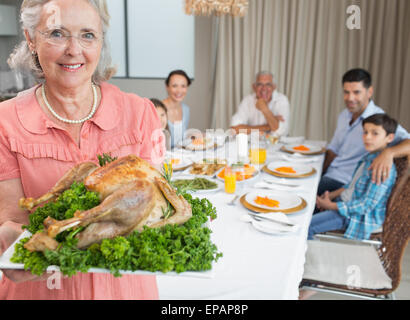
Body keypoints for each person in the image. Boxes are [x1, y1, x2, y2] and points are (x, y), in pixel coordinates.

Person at [0, 0, 165, 300]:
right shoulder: (5, 122)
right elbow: (9, 217)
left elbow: (155, 204)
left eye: (87, 34)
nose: (74, 50)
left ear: (101, 40)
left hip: (124, 290)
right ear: (30, 39)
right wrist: (9, 240)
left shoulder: (140, 113)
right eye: (57, 34)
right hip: (40, 289)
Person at [318, 68, 410, 196]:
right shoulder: (344, 115)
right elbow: (333, 151)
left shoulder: (379, 121)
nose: (350, 98)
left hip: (346, 183)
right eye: (346, 92)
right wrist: (318, 173)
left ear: (369, 92)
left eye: (356, 92)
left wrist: (389, 153)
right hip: (330, 174)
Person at [308, 113, 398, 240]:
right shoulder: (368, 157)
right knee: (307, 210)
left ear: (389, 138)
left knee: (307, 226)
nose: (367, 137)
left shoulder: (382, 168)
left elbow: (365, 205)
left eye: (375, 133)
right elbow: (352, 186)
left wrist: (331, 206)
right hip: (346, 204)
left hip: (355, 216)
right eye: (365, 132)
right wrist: (330, 196)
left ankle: (311, 258)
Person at [230, 71, 290, 136]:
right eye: (260, 84)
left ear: (274, 87)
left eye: (268, 84)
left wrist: (264, 109)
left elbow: (281, 131)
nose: (264, 88)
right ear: (254, 87)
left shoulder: (282, 100)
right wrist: (267, 127)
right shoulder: (247, 100)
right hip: (254, 144)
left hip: (277, 145)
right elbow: (234, 129)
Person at [162, 69, 191, 148]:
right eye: (174, 86)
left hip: (181, 156)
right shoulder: (158, 110)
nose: (179, 91)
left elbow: (181, 139)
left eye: (183, 86)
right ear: (167, 87)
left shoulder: (186, 109)